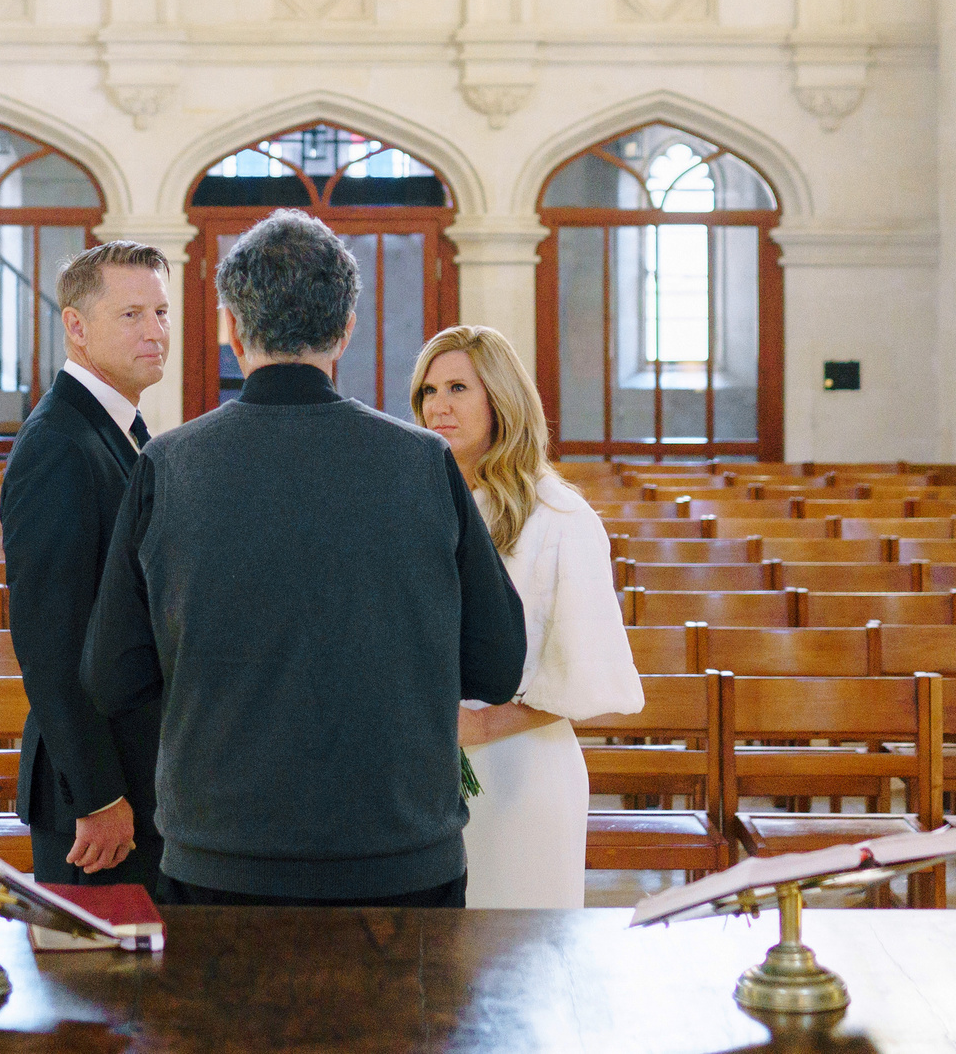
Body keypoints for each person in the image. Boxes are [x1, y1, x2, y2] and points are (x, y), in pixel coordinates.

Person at [83, 209, 526, 907]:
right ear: (345, 330)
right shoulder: (422, 462)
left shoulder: (168, 465)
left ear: (232, 329)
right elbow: (498, 665)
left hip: (222, 855)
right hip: (399, 856)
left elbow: (112, 676)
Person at [410, 325, 642, 909]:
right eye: (428, 391)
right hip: (420, 774)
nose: (438, 406)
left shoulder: (560, 515)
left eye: (458, 388)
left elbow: (586, 674)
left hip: (522, 772)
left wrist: (483, 727)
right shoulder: (412, 505)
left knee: (521, 947)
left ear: (502, 398)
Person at [0, 240, 173, 891]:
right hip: (98, 796)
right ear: (76, 326)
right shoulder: (59, 444)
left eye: (160, 312)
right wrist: (98, 795)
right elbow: (51, 640)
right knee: (97, 958)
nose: (155, 331)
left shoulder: (117, 428)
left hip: (138, 771)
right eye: (131, 315)